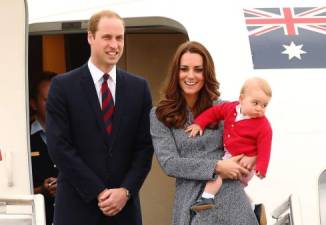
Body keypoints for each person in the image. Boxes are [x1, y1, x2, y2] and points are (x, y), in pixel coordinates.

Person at [46, 10, 154, 225]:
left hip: (124, 211)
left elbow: (145, 148)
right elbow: (59, 148)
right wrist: (99, 192)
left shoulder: (139, 88)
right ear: (90, 37)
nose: (114, 45)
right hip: (77, 210)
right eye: (107, 37)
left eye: (119, 38)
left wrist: (125, 191)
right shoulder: (63, 86)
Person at [150, 41, 261, 225]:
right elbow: (170, 163)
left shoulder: (225, 109)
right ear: (176, 73)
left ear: (206, 73)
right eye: (184, 69)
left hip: (231, 200)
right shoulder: (159, 114)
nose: (190, 76)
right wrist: (217, 166)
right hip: (191, 202)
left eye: (198, 70)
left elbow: (244, 145)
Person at [186, 77, 272, 212]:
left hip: (245, 163)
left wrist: (261, 168)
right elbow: (213, 113)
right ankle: (253, 208)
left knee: (217, 173)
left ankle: (206, 197)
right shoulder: (230, 108)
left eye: (264, 105)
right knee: (235, 188)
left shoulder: (263, 125)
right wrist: (199, 123)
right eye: (255, 103)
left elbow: (265, 147)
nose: (259, 108)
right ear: (242, 99)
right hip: (230, 154)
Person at [30, 71, 58, 225]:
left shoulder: (77, 136)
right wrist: (42, 190)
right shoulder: (23, 140)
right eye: (48, 100)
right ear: (33, 104)